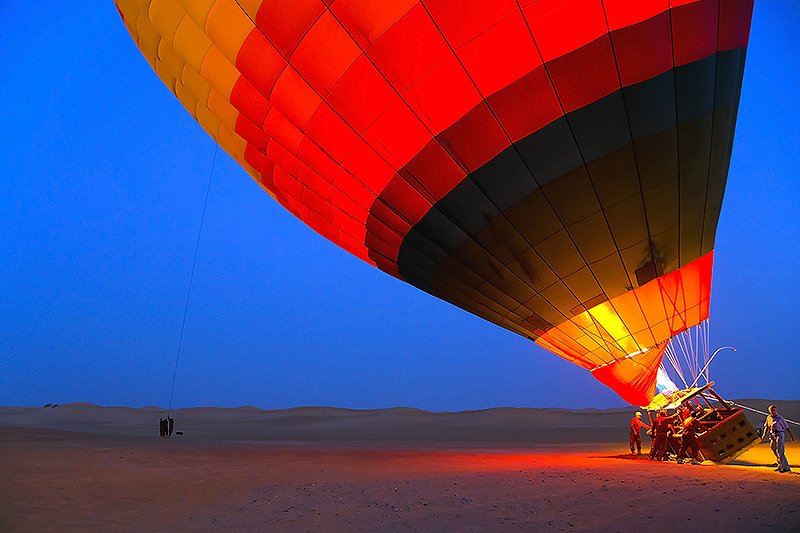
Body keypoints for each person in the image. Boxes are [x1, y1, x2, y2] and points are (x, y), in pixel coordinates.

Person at [763, 404, 795, 473]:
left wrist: (792, 437)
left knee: (780, 451)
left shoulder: (780, 418)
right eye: (771, 410)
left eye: (774, 410)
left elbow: (787, 428)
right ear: (769, 411)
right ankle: (780, 465)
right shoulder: (769, 418)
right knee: (773, 449)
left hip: (779, 434)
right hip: (772, 435)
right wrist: (764, 436)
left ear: (776, 410)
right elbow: (767, 427)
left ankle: (786, 467)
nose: (773, 411)